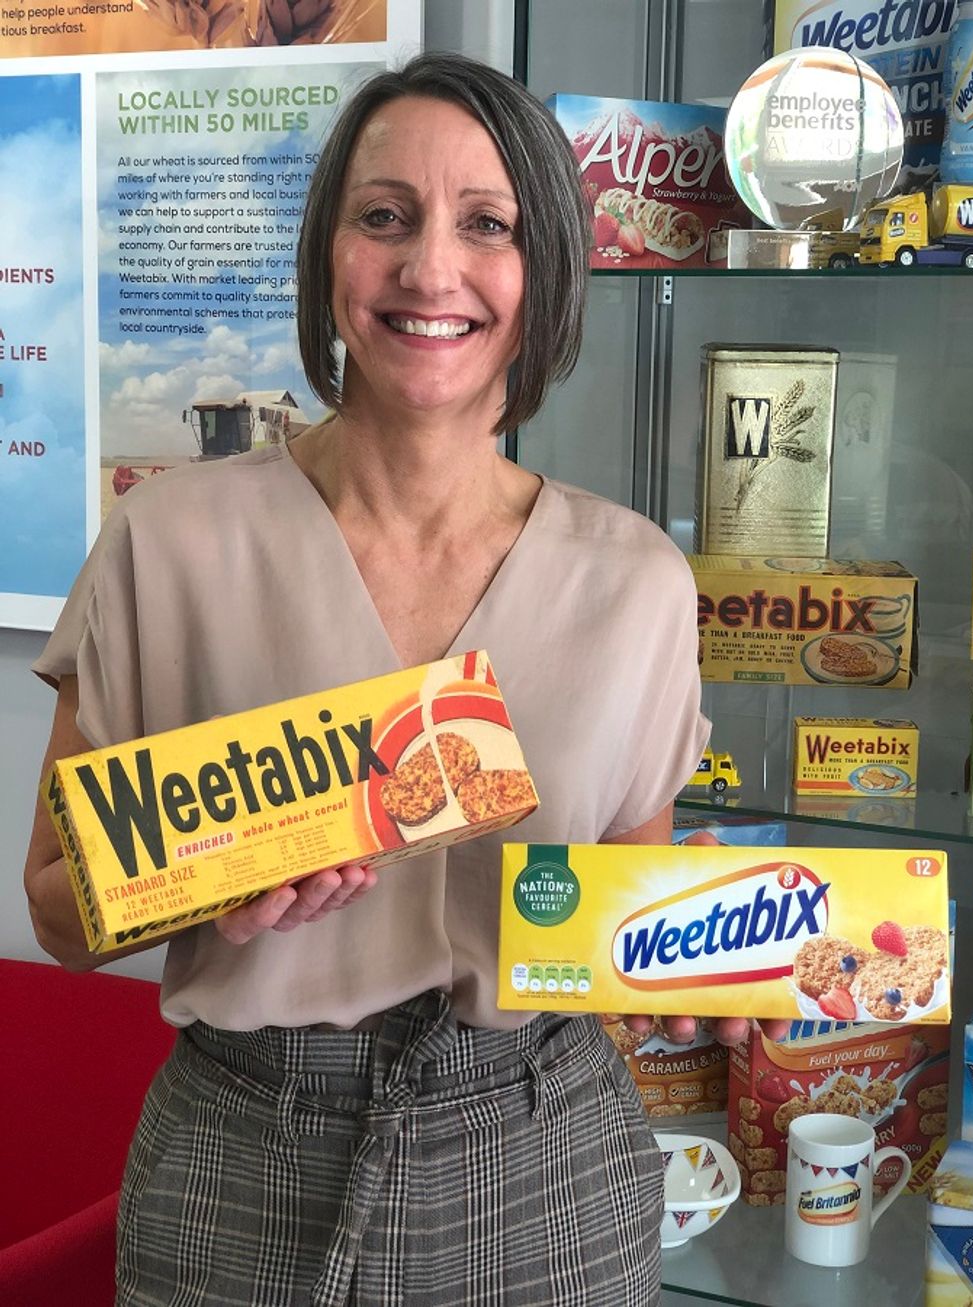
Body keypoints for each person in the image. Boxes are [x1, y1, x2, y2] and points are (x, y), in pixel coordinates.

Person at [24, 52, 783, 1307]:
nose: (429, 269)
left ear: (544, 273)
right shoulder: (167, 541)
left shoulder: (635, 577)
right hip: (238, 1158)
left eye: (485, 225)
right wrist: (207, 886)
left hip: (545, 1155)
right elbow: (56, 908)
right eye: (384, 217)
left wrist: (703, 976)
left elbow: (618, 924)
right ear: (330, 253)